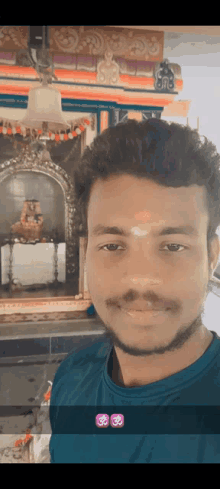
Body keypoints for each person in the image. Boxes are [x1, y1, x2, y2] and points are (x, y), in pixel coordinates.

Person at [49, 118, 220, 463]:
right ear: (87, 255)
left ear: (212, 257)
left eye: (172, 246)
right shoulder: (71, 379)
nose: (141, 279)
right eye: (112, 246)